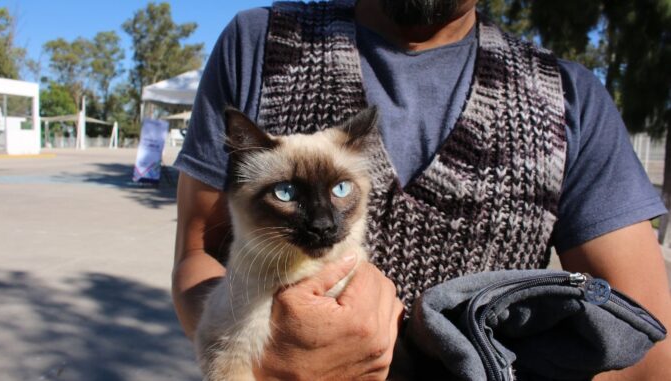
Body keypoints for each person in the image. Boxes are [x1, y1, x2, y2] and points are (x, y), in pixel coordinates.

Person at [172, 0, 671, 379]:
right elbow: (199, 252)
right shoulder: (262, 42)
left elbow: (648, 345)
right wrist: (259, 353)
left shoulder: (569, 95)